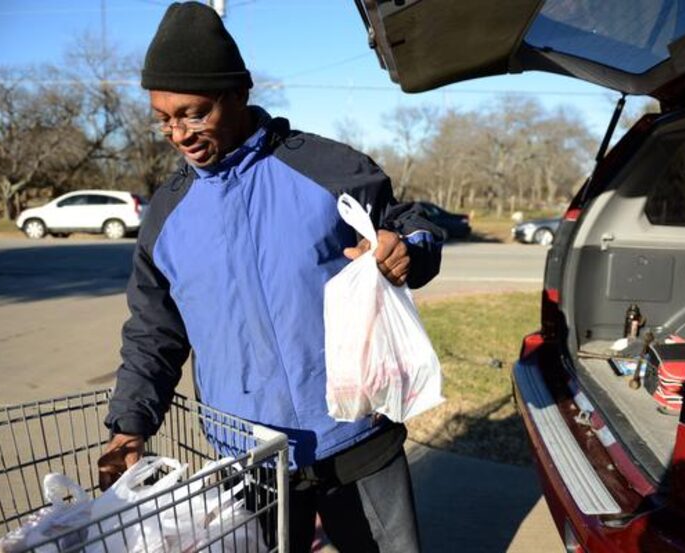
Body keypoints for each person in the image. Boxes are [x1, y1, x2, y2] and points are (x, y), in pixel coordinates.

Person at [97, 2, 443, 551]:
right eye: (163, 118)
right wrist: (129, 425)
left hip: (354, 435)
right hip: (247, 456)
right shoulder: (164, 217)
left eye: (193, 113)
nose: (178, 133)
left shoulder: (326, 167)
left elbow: (407, 223)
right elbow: (153, 333)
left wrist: (409, 249)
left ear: (238, 94)